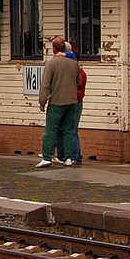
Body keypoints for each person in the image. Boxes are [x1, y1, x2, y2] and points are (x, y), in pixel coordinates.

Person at [37, 35, 81, 167]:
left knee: (51, 130)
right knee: (68, 130)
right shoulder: (74, 64)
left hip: (56, 102)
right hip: (71, 102)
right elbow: (78, 81)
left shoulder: (52, 64)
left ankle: (47, 157)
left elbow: (45, 84)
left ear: (54, 49)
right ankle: (68, 158)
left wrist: (42, 101)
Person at [65, 44, 87, 165]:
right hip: (74, 102)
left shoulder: (79, 73)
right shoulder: (80, 72)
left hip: (75, 102)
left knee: (72, 130)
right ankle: (73, 154)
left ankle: (76, 155)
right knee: (71, 129)